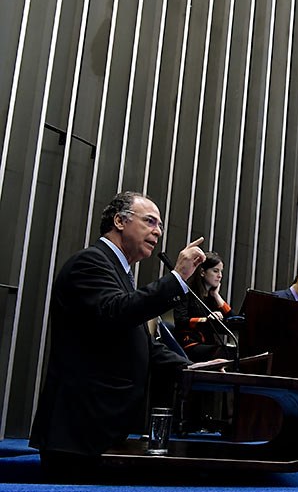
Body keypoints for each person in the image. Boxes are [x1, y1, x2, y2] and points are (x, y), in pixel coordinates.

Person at [28, 191, 221, 476]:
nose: (158, 232)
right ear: (119, 221)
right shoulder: (90, 263)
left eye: (160, 226)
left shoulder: (120, 272)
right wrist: (177, 278)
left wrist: (190, 366)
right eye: (150, 221)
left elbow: (139, 340)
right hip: (78, 431)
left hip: (101, 430)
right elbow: (116, 312)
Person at [173, 251, 235, 362]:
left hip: (208, 344)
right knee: (228, 354)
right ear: (202, 272)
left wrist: (217, 296)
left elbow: (232, 323)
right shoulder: (186, 292)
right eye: (215, 271)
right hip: (190, 344)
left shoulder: (212, 298)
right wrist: (206, 320)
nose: (220, 276)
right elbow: (180, 321)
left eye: (221, 272)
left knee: (237, 353)